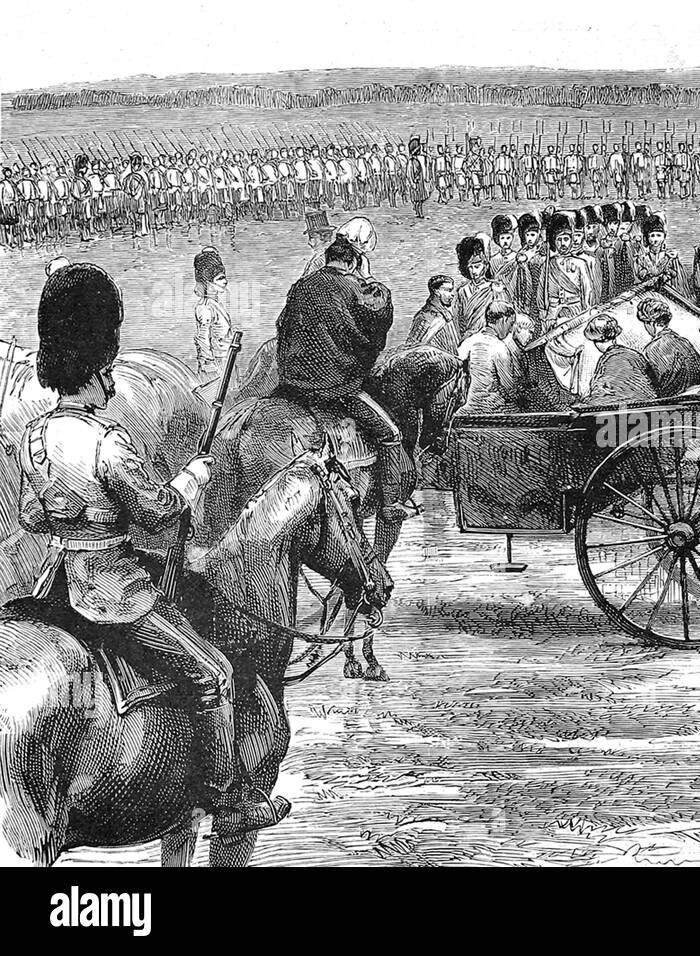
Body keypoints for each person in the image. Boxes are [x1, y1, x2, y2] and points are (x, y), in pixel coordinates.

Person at [19, 263, 289, 838]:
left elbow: (31, 515)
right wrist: (192, 477)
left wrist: (76, 514)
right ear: (98, 363)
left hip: (55, 581)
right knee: (212, 673)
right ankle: (228, 799)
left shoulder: (34, 437)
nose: (112, 374)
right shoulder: (108, 441)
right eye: (108, 364)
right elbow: (157, 511)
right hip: (113, 591)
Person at [276, 235, 414, 521]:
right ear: (351, 262)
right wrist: (366, 276)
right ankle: (390, 505)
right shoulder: (353, 286)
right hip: (335, 387)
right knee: (391, 434)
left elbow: (281, 325)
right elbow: (378, 311)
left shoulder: (300, 287)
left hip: (293, 384)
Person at [455, 301, 527, 413]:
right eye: (511, 323)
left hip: (467, 407)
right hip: (491, 408)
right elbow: (508, 387)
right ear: (503, 320)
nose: (511, 330)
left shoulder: (468, 342)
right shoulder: (500, 348)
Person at [637, 294, 700, 397]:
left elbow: (652, 386)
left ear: (651, 323)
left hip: (671, 402)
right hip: (695, 395)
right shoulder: (684, 342)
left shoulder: (651, 349)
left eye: (645, 323)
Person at [583, 314, 657, 404]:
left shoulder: (607, 360)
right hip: (649, 405)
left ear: (597, 340)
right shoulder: (635, 355)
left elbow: (601, 393)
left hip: (619, 409)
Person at [452, 233, 512, 340]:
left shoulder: (496, 290)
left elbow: (505, 321)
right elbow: (457, 321)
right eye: (470, 267)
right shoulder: (462, 291)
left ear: (485, 264)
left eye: (477, 266)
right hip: (465, 340)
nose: (474, 271)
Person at [193, 247, 236, 382]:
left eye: (224, 277)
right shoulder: (205, 307)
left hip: (226, 361)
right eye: (220, 278)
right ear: (208, 282)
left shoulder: (215, 305)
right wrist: (209, 365)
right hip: (214, 367)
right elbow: (202, 339)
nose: (225, 281)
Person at [632, 211, 688, 294]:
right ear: (647, 237)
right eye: (652, 235)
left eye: (658, 235)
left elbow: (676, 275)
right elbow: (642, 274)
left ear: (664, 236)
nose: (655, 239)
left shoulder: (669, 255)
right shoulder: (642, 257)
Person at [407, 274, 459, 352]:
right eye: (448, 290)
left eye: (451, 290)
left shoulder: (446, 315)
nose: (452, 294)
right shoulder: (424, 316)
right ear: (436, 291)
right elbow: (412, 349)